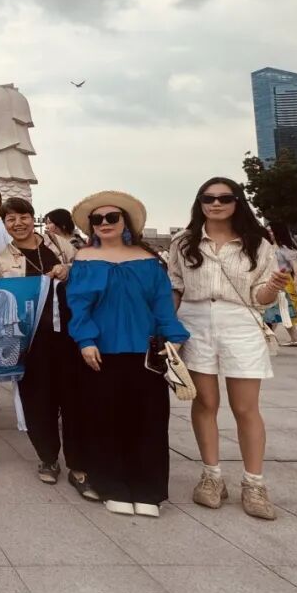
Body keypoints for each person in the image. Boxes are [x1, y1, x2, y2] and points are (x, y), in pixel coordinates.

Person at [169, 177, 284, 521]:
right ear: (200, 202)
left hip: (239, 321)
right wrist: (168, 329)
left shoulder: (258, 243)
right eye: (208, 198)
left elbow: (260, 297)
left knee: (245, 407)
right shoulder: (184, 242)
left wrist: (274, 287)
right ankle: (211, 476)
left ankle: (254, 482)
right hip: (195, 320)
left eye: (224, 198)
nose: (216, 203)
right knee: (205, 402)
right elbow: (176, 286)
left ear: (237, 202)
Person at [67, 190, 188, 518]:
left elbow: (162, 304)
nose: (104, 223)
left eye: (112, 217)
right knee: (104, 419)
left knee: (149, 420)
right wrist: (85, 340)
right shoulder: (84, 259)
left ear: (126, 222)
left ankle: (148, 489)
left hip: (145, 351)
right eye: (97, 219)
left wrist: (174, 338)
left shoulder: (149, 261)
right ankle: (111, 484)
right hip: (100, 352)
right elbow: (78, 306)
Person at [0, 197, 98, 500]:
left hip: (70, 335)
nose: (18, 223)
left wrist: (68, 268)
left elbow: (88, 271)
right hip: (31, 341)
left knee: (75, 400)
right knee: (37, 400)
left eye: (23, 216)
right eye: (11, 219)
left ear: (33, 218)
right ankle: (48, 458)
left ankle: (79, 464)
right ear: (5, 224)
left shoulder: (60, 244)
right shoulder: (4, 258)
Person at [264, 222, 297, 347]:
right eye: (268, 231)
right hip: (274, 281)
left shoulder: (285, 249)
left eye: (271, 231)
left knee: (278, 311)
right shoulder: (270, 247)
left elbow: (295, 267)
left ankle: (269, 337)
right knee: (279, 311)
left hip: (284, 282)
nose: (269, 233)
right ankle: (292, 338)